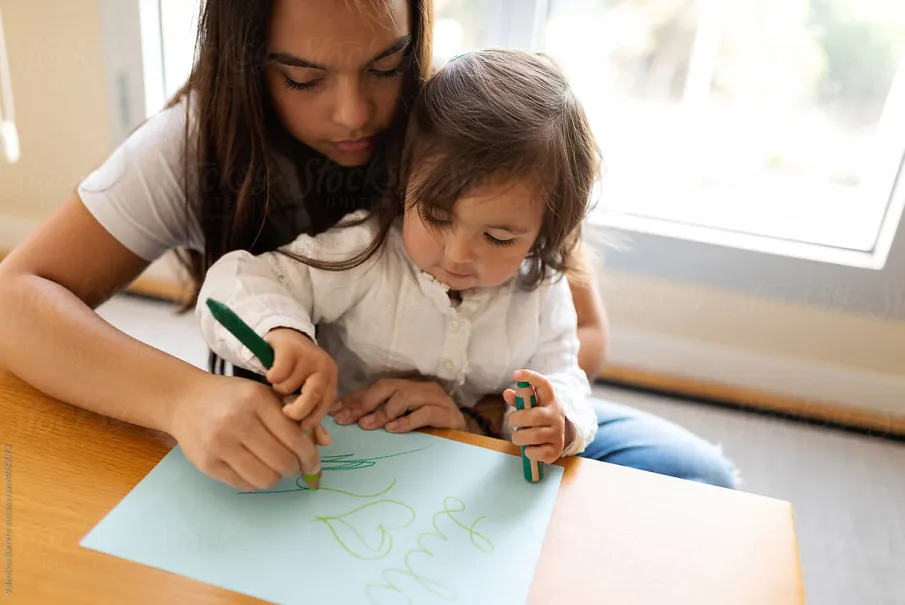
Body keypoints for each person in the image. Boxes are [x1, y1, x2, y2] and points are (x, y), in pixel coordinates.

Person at [0, 0, 737, 492]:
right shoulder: (194, 146)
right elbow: (14, 299)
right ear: (243, 59)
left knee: (694, 477)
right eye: (302, 77)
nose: (354, 113)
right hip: (319, 438)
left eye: (386, 66)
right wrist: (184, 397)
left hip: (474, 418)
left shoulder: (469, 119)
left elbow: (581, 334)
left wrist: (471, 411)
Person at [197, 49, 601, 481]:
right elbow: (233, 281)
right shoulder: (365, 251)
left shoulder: (541, 288)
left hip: (463, 469)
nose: (459, 254)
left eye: (498, 237)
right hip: (349, 461)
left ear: (544, 232)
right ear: (406, 178)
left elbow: (564, 374)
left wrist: (556, 420)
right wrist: (282, 333)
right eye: (438, 217)